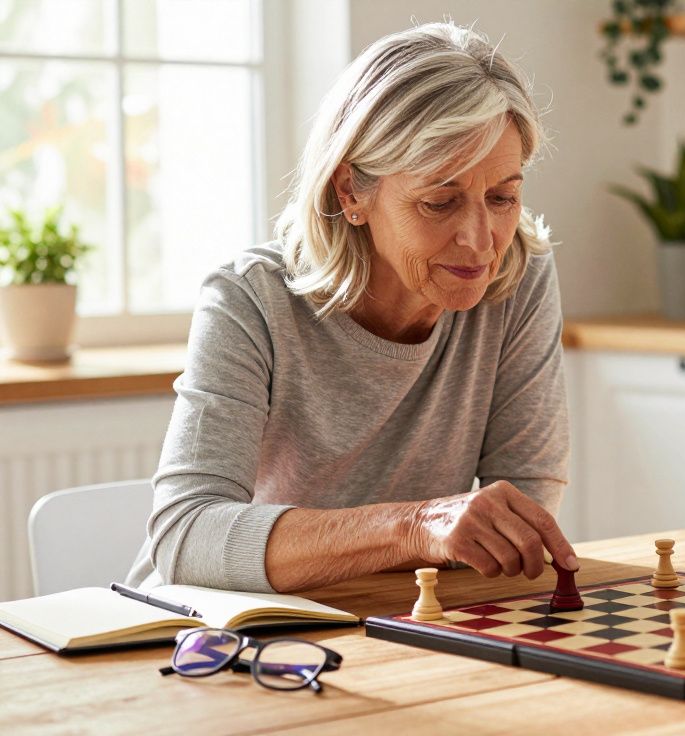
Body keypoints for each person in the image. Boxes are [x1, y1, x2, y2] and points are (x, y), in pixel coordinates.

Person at [127, 21, 578, 594]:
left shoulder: (517, 274)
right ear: (351, 193)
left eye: (503, 198)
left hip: (392, 616)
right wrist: (414, 527)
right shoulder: (249, 299)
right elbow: (185, 537)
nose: (481, 239)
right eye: (440, 202)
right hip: (216, 632)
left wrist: (444, 539)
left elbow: (521, 512)